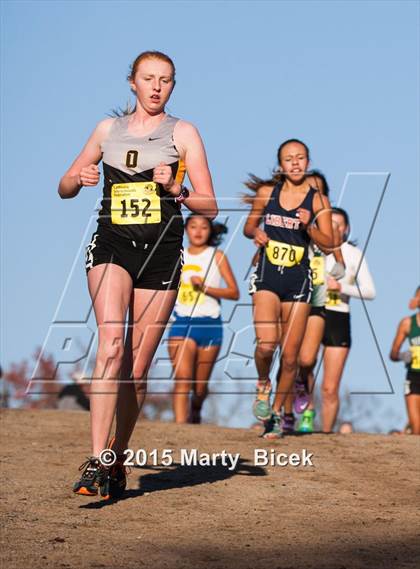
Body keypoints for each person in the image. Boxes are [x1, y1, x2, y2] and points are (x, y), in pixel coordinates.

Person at [58, 51, 217, 498]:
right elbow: (65, 185)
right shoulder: (107, 130)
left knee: (137, 366)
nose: (156, 87)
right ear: (132, 82)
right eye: (148, 78)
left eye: (165, 80)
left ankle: (117, 454)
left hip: (161, 253)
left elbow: (210, 203)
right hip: (111, 245)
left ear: (172, 86)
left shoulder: (183, 133)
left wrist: (176, 189)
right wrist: (81, 177)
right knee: (110, 345)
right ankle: (96, 460)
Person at [243, 139, 334, 439]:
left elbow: (330, 244)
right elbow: (248, 227)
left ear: (308, 161)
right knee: (267, 344)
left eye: (300, 158)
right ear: (280, 164)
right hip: (268, 277)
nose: (295, 163)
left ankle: (278, 414)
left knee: (292, 357)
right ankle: (262, 384)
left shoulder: (317, 199)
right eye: (288, 159)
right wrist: (256, 232)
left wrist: (310, 227)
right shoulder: (267, 193)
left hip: (298, 281)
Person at [167, 214, 239, 423]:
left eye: (203, 227)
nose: (198, 231)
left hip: (210, 325)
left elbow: (234, 293)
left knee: (199, 385)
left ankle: (196, 408)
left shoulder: (217, 256)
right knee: (182, 379)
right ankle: (180, 428)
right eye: (193, 226)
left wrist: (205, 288)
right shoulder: (176, 255)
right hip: (181, 322)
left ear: (210, 231)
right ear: (185, 230)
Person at [320, 208, 375, 433]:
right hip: (312, 312)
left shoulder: (354, 254)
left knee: (329, 387)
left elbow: (370, 291)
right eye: (329, 222)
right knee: (302, 370)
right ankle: (297, 422)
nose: (334, 228)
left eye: (339, 224)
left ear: (347, 229)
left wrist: (341, 287)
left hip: (338, 316)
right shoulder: (313, 247)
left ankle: (324, 434)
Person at [389, 286, 420, 435]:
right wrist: (402, 355)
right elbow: (393, 353)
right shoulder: (407, 323)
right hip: (413, 376)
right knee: (416, 427)